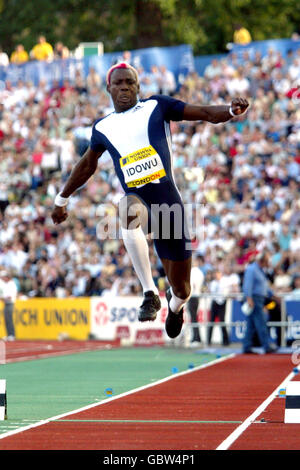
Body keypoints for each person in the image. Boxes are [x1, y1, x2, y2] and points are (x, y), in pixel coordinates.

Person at [51, 62, 249, 339]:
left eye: (129, 82)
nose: (124, 87)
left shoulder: (157, 107)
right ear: (108, 88)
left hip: (169, 207)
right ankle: (149, 293)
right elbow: (86, 165)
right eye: (118, 83)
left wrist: (229, 111)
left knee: (182, 288)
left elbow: (203, 112)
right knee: (127, 210)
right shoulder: (103, 127)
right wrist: (61, 200)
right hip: (139, 202)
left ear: (138, 86)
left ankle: (175, 305)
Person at [242, 252, 278, 354]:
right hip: (255, 299)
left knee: (251, 325)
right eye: (266, 261)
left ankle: (246, 346)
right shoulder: (252, 269)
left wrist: (272, 294)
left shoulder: (260, 270)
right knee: (261, 323)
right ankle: (266, 346)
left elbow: (264, 285)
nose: (268, 264)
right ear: (262, 261)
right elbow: (247, 285)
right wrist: (249, 298)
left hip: (259, 299)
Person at [207, 269, 230, 346]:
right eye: (215, 274)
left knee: (222, 321)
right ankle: (208, 340)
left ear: (220, 274)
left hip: (222, 302)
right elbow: (211, 292)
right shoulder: (213, 283)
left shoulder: (225, 281)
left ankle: (225, 341)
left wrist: (222, 299)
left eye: (218, 274)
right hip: (215, 302)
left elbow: (226, 292)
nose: (216, 275)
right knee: (211, 321)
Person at [187, 255, 205, 345]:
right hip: (197, 295)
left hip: (193, 295)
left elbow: (192, 285)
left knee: (193, 318)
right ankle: (196, 337)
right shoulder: (200, 272)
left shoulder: (193, 272)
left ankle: (196, 338)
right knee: (194, 318)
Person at [0, 270, 18, 341]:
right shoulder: (4, 284)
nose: (2, 278)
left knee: (9, 319)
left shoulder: (11, 284)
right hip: (5, 303)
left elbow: (10, 296)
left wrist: (3, 297)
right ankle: (9, 334)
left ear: (7, 277)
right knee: (6, 320)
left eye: (3, 277)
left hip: (10, 303)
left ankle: (12, 335)